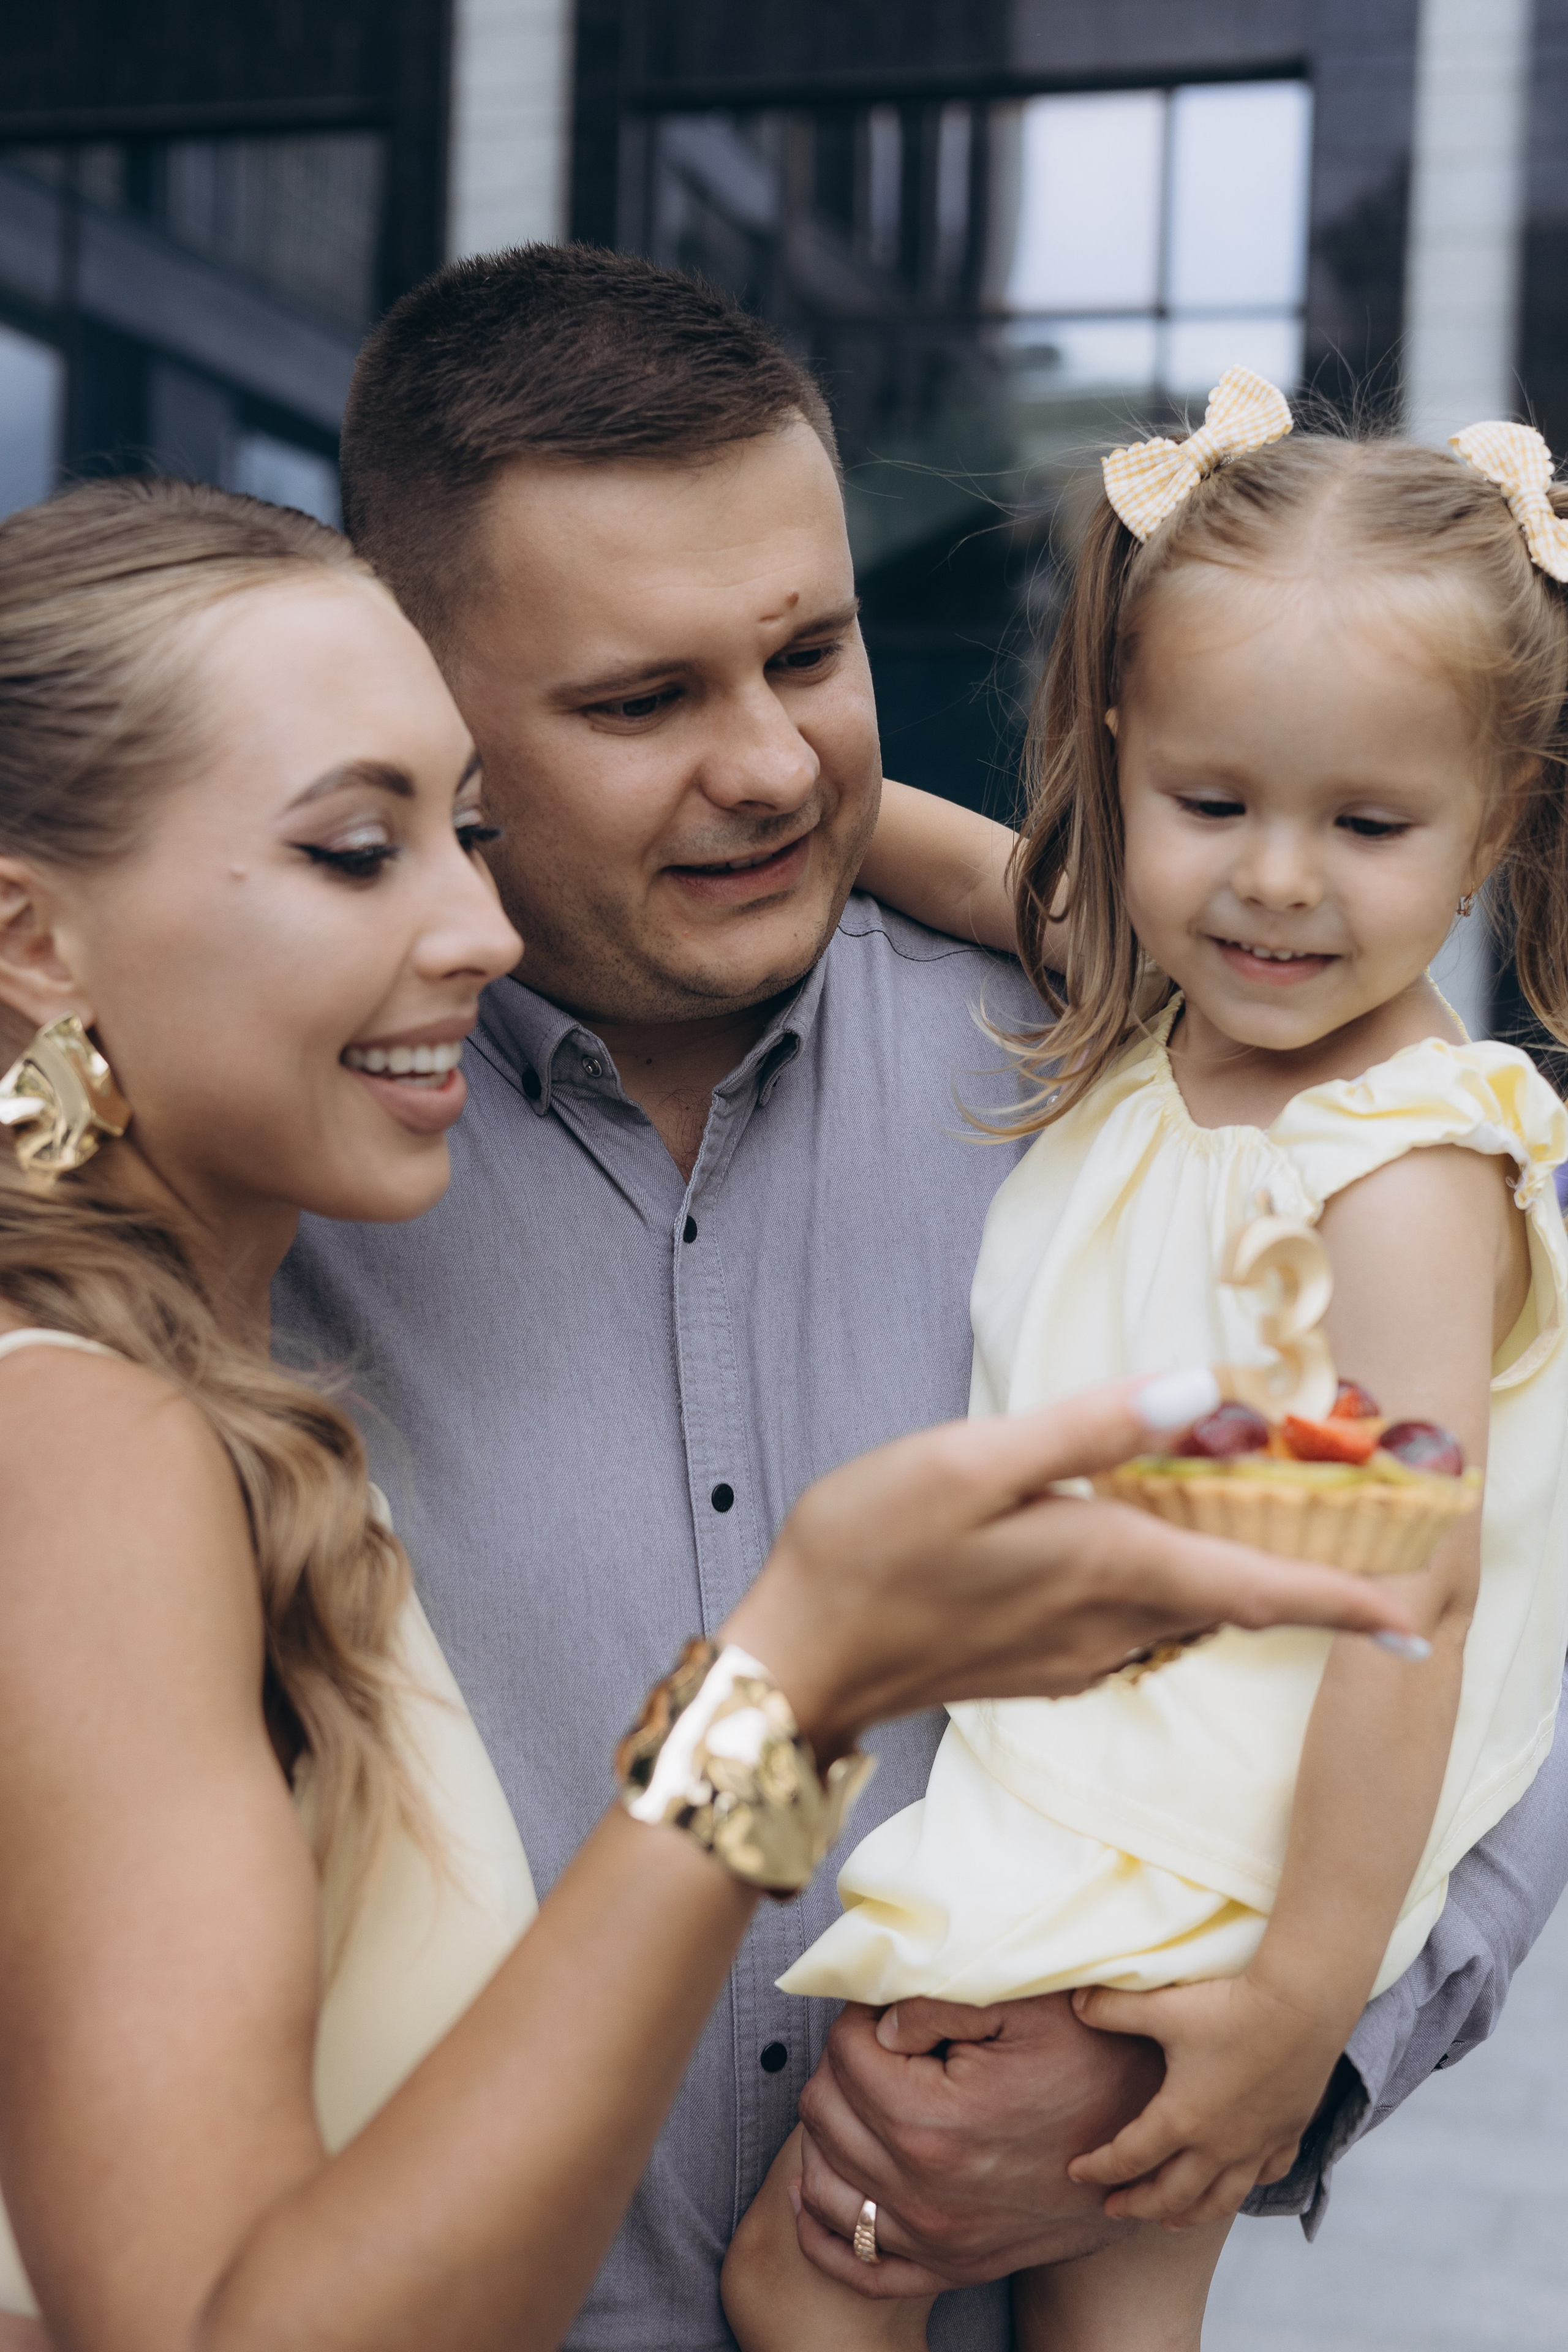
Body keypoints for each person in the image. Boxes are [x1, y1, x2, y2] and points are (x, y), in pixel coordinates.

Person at [275, 249, 1568, 2350]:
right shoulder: (273, 1167)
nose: (779, 769)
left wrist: (1256, 2072)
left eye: (811, 651)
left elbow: (1487, 1609)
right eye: (643, 700)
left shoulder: (1140, 1064)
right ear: (429, 715)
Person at [0, 475, 1410, 2352]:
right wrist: (791, 1681)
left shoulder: (1118, 1066)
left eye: (464, 827)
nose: (479, 930)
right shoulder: (81, 1443)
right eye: (360, 851)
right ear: (32, 942)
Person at [721, 379, 1568, 2351]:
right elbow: (927, 855)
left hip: (1197, 1829)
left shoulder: (1405, 1163)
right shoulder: (1139, 997)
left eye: (1368, 825)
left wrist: (1302, 2002)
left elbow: (1404, 1596)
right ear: (1116, 763)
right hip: (1120, 1789)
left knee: (802, 2276)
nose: (1276, 882)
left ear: (1498, 819)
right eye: (1214, 806)